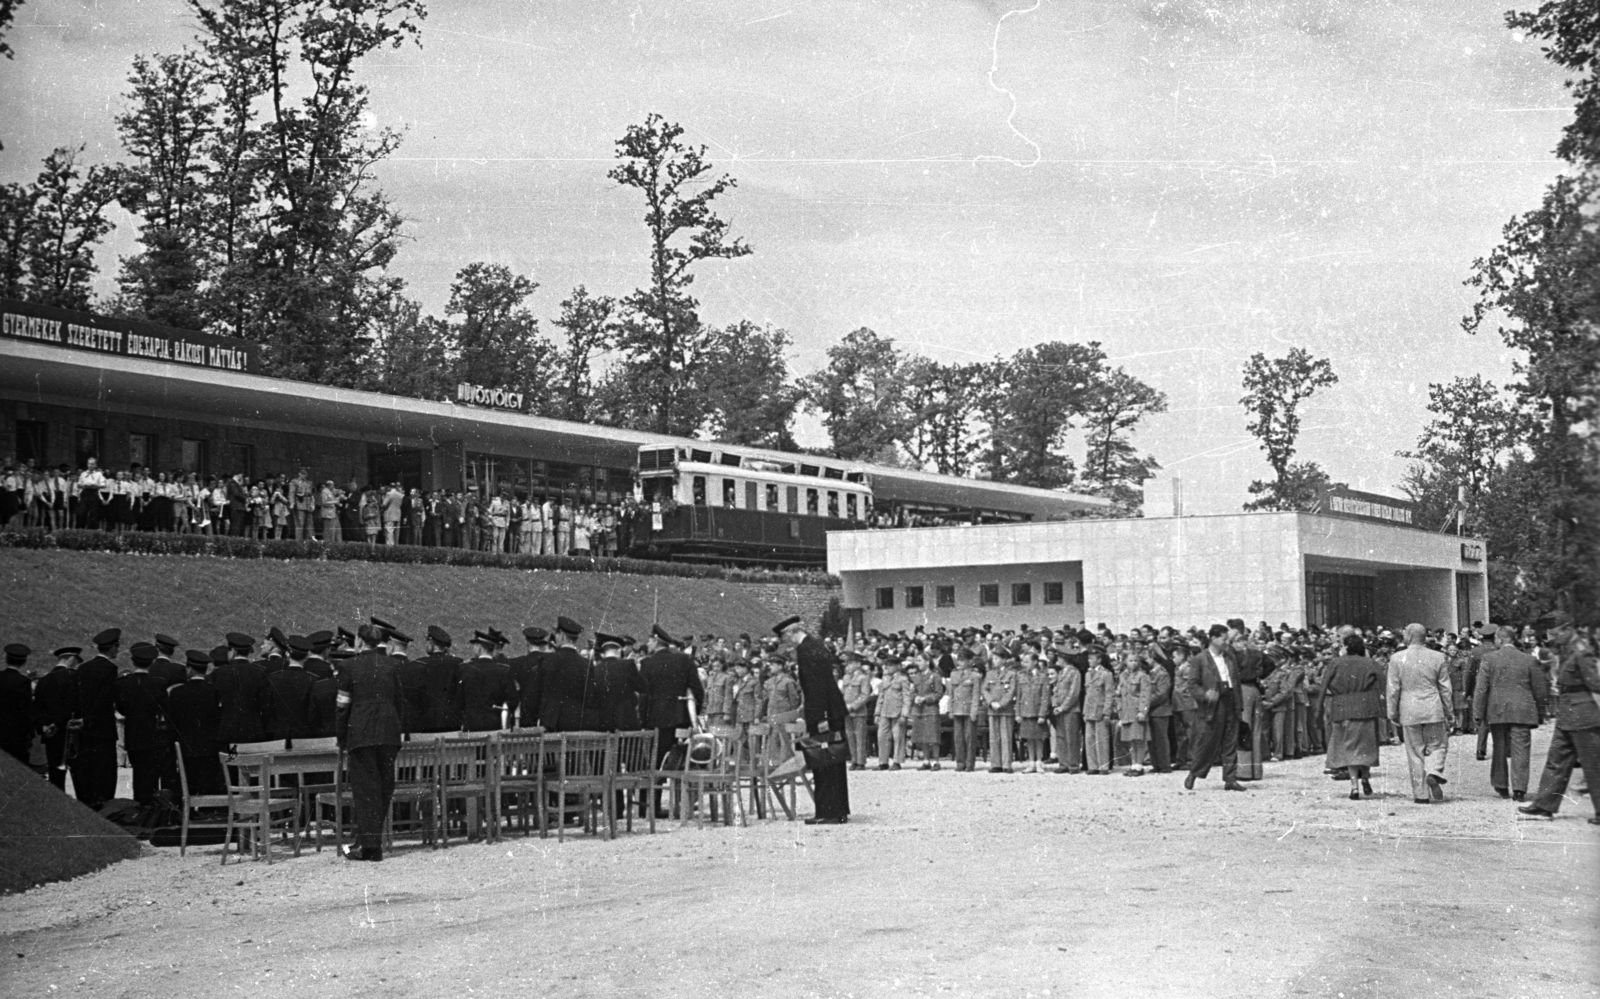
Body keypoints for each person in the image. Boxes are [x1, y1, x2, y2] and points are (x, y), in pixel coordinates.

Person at [1519, 611, 1600, 824]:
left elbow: (1595, 682)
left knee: (1593, 765)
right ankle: (1544, 805)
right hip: (1567, 713)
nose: (1551, 639)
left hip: (1583, 714)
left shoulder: (1582, 649)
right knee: (1556, 761)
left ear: (1566, 628)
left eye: (1554, 634)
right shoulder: (1567, 648)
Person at [336, 623, 405, 861]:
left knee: (366, 791)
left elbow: (342, 706)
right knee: (384, 788)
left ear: (359, 640)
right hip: (388, 732)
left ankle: (370, 846)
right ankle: (367, 841)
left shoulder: (348, 666)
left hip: (361, 733)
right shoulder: (393, 665)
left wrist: (341, 738)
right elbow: (400, 702)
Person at [776, 616, 849, 825]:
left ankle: (828, 811)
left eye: (784, 637)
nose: (785, 642)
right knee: (831, 760)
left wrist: (820, 717)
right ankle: (836, 809)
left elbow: (818, 687)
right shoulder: (813, 647)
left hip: (823, 712)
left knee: (824, 761)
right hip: (827, 710)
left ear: (791, 632)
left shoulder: (807, 650)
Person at [1473, 626, 1549, 801]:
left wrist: (1479, 713)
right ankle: (1520, 789)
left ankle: (1501, 785)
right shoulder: (1528, 659)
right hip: (1522, 711)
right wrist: (1540, 711)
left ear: (1500, 639)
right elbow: (1540, 689)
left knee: (1499, 748)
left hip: (1497, 710)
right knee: (1521, 750)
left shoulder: (1489, 659)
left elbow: (1481, 689)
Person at [639, 624, 704, 811]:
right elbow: (698, 691)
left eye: (650, 640)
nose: (648, 644)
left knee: (653, 764)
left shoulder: (647, 663)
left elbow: (644, 697)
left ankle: (649, 806)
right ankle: (684, 804)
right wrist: (692, 713)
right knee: (682, 763)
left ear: (656, 641)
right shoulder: (685, 661)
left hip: (655, 722)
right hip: (681, 720)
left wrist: (643, 721)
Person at [1387, 622, 1454, 804]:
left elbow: (1393, 689)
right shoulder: (1438, 657)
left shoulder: (1396, 658)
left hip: (1408, 708)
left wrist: (1392, 712)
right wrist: (1449, 712)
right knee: (1438, 745)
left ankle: (1421, 794)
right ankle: (1434, 771)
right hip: (1433, 707)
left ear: (1408, 636)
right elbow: (1445, 688)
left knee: (1415, 753)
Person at [1183, 624, 1248, 792]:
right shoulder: (1200, 659)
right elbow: (1192, 684)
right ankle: (1194, 773)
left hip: (1230, 700)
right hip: (1212, 705)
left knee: (1230, 741)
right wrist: (1205, 695)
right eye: (1223, 639)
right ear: (1213, 638)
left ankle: (1230, 778)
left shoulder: (1229, 657)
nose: (1226, 642)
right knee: (1207, 742)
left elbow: (1237, 682)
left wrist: (1239, 704)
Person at [1319, 634, 1385, 800]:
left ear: (1346, 647)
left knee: (1348, 747)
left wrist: (1319, 707)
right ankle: (1365, 776)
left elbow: (1324, 685)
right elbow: (1383, 684)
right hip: (1366, 707)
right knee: (1366, 746)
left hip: (1341, 708)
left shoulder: (1335, 663)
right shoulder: (1371, 663)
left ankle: (1354, 786)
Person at [114, 643, 177, 806]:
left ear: (132, 660)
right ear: (152, 662)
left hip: (133, 735)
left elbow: (121, 708)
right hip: (152, 735)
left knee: (138, 774)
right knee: (150, 775)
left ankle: (139, 806)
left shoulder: (123, 683)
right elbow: (165, 709)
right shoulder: (157, 684)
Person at [72, 628, 122, 807]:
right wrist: (90, 718)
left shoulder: (83, 668)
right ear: (112, 647)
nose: (118, 649)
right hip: (102, 729)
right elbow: (105, 699)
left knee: (86, 771)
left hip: (84, 729)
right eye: (117, 646)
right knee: (104, 773)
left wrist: (83, 719)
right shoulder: (110, 668)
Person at [166, 650, 225, 795]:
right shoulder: (213, 691)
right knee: (208, 784)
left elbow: (172, 722)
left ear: (190, 668)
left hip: (186, 747)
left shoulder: (177, 693)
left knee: (188, 785)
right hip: (209, 747)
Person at [32, 647, 80, 790]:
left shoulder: (44, 680)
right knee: (77, 775)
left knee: (54, 775)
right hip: (70, 732)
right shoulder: (74, 677)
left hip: (50, 734)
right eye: (76, 659)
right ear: (71, 658)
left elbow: (36, 709)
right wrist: (57, 723)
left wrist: (44, 727)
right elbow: (72, 706)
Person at [947, 650, 983, 772]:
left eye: (963, 660)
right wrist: (950, 710)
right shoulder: (954, 674)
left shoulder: (975, 676)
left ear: (970, 661)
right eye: (959, 659)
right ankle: (960, 762)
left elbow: (976, 694)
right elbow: (951, 694)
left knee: (970, 737)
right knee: (958, 738)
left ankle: (970, 763)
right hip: (957, 709)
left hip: (968, 710)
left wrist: (974, 711)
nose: (960, 662)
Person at [1082, 648, 1116, 775]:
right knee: (1089, 739)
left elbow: (1109, 694)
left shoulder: (1106, 674)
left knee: (1101, 739)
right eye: (1089, 658)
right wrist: (1085, 711)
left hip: (1100, 709)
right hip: (1090, 709)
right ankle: (1093, 765)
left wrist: (1107, 711)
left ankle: (1103, 766)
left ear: (1099, 660)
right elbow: (1087, 694)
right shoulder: (1088, 674)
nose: (1089, 661)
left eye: (1092, 658)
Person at [908, 654, 943, 770]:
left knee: (933, 737)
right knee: (922, 736)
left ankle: (936, 761)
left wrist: (925, 699)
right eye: (917, 660)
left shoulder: (935, 676)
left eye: (920, 660)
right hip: (919, 710)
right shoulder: (916, 677)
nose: (918, 663)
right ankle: (926, 760)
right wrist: (915, 698)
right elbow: (912, 691)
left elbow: (938, 693)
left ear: (927, 662)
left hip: (930, 709)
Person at [0, 643, 34, 764]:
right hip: (15, 735)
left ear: (6, 658)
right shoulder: (23, 682)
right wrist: (30, 734)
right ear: (24, 662)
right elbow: (26, 711)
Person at [875, 658, 910, 770]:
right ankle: (883, 761)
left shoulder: (903, 679)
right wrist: (877, 713)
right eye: (886, 665)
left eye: (890, 665)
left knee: (898, 737)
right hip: (885, 711)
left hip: (897, 711)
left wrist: (904, 714)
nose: (887, 667)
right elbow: (880, 697)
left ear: (898, 666)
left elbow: (907, 698)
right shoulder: (885, 679)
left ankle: (897, 761)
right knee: (882, 736)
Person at [842, 653, 875, 770]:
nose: (847, 666)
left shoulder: (863, 677)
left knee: (860, 737)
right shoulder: (846, 677)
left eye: (850, 663)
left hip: (858, 711)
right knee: (850, 736)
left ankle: (861, 761)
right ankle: (854, 759)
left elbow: (865, 695)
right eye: (846, 664)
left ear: (857, 664)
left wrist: (852, 706)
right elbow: (843, 694)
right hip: (846, 711)